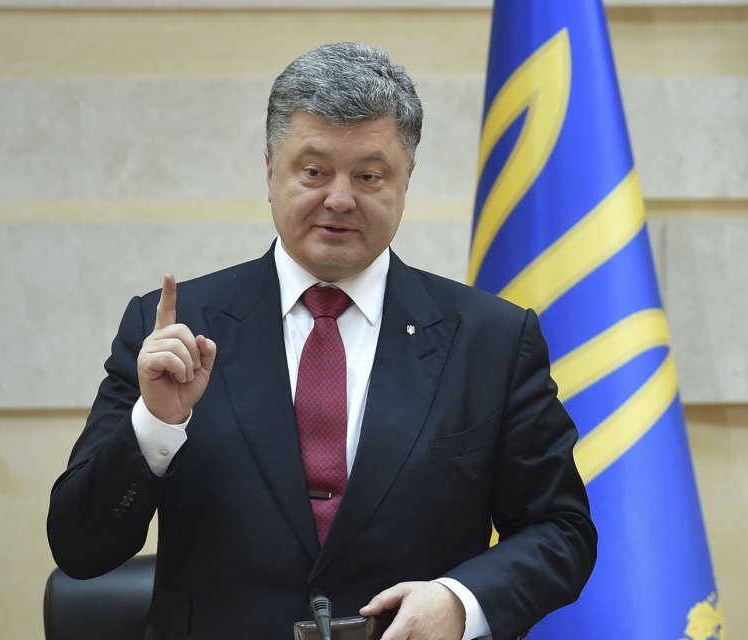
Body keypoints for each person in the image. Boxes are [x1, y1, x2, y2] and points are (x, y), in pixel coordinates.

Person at [47, 42, 596, 640]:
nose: (339, 199)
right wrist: (155, 426)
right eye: (313, 172)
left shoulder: (492, 339)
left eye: (368, 176)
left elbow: (560, 530)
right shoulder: (172, 330)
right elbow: (81, 549)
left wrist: (460, 602)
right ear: (270, 172)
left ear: (405, 181)